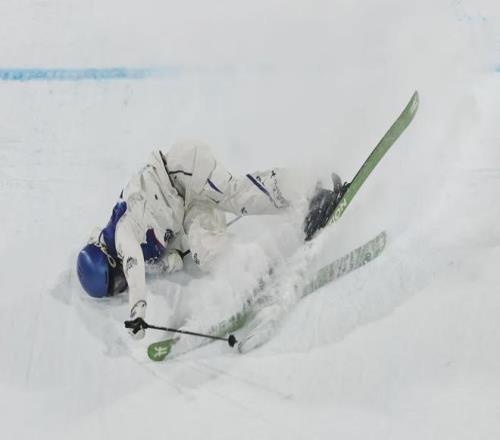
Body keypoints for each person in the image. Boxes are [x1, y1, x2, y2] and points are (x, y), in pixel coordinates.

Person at [77, 140, 340, 339]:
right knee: (205, 253)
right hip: (188, 208)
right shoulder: (142, 252)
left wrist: (138, 310)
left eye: (117, 281)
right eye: (118, 289)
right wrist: (168, 263)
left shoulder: (122, 232)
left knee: (234, 195)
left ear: (109, 260)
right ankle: (251, 272)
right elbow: (173, 255)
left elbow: (133, 263)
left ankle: (310, 190)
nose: (122, 285)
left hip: (182, 171)